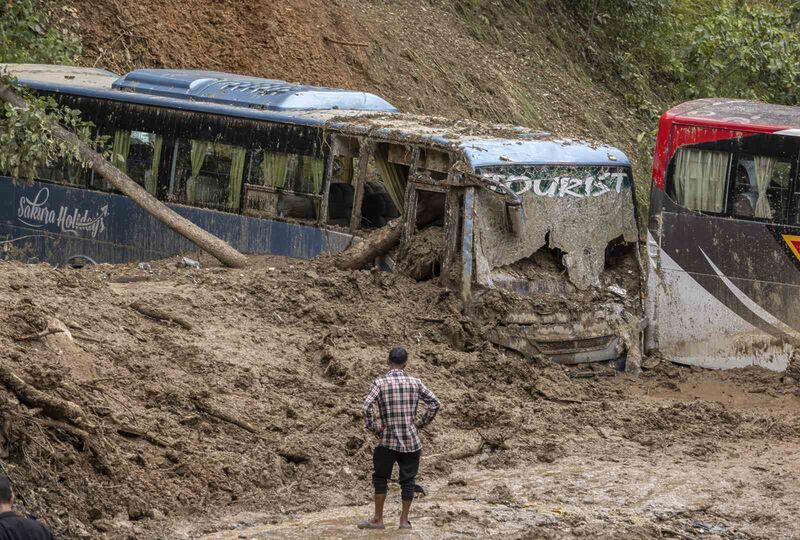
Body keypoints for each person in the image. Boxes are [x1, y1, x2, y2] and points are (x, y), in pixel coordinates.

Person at [358, 346, 441, 530]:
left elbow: (366, 407)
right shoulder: (415, 382)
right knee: (408, 481)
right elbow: (435, 404)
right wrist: (419, 424)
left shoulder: (380, 383)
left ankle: (378, 520)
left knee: (380, 478)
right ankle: (404, 521)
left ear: (388, 362)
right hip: (411, 441)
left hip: (388, 440)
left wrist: (375, 428)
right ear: (405, 364)